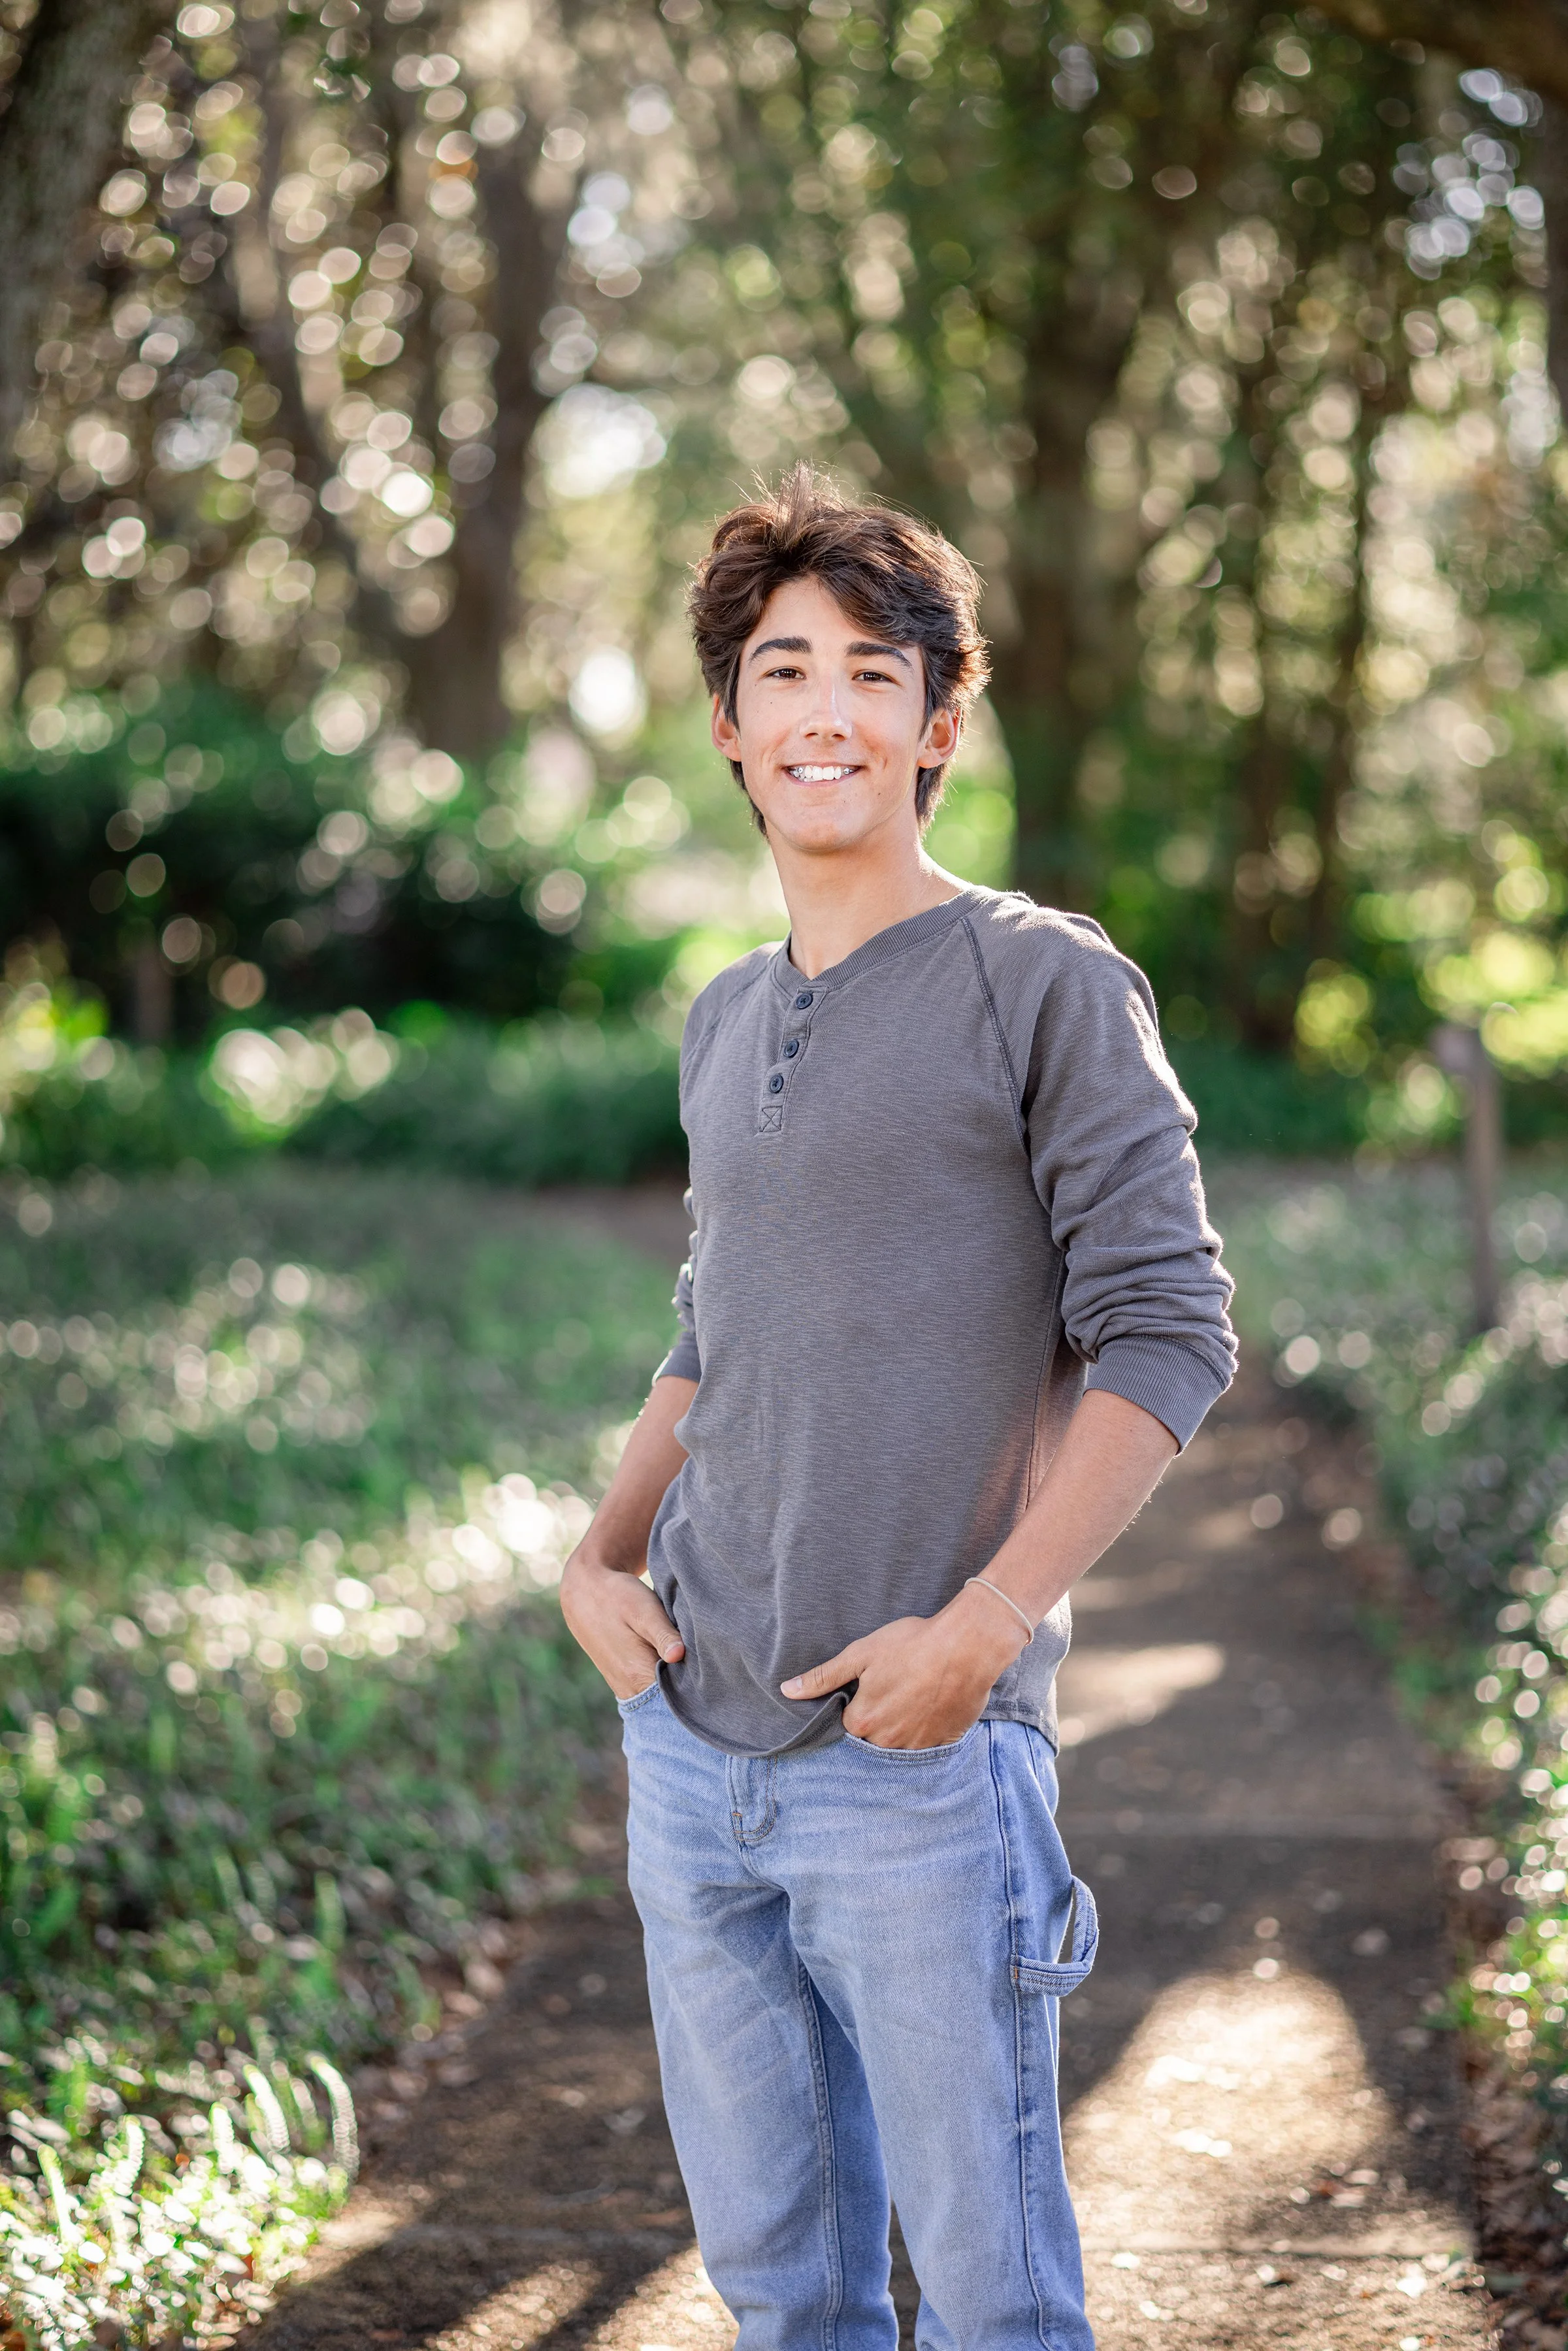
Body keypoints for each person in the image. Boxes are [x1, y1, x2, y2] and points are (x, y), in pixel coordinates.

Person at [560, 464, 1237, 2351]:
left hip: (920, 1764)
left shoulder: (1043, 982)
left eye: (873, 669)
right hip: (693, 1753)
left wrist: (986, 1629)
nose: (825, 709)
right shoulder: (720, 1014)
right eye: (785, 671)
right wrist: (596, 1560)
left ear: (941, 723)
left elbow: (1169, 1329)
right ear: (731, 730)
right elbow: (716, 1335)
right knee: (785, 2294)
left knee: (996, 2302)